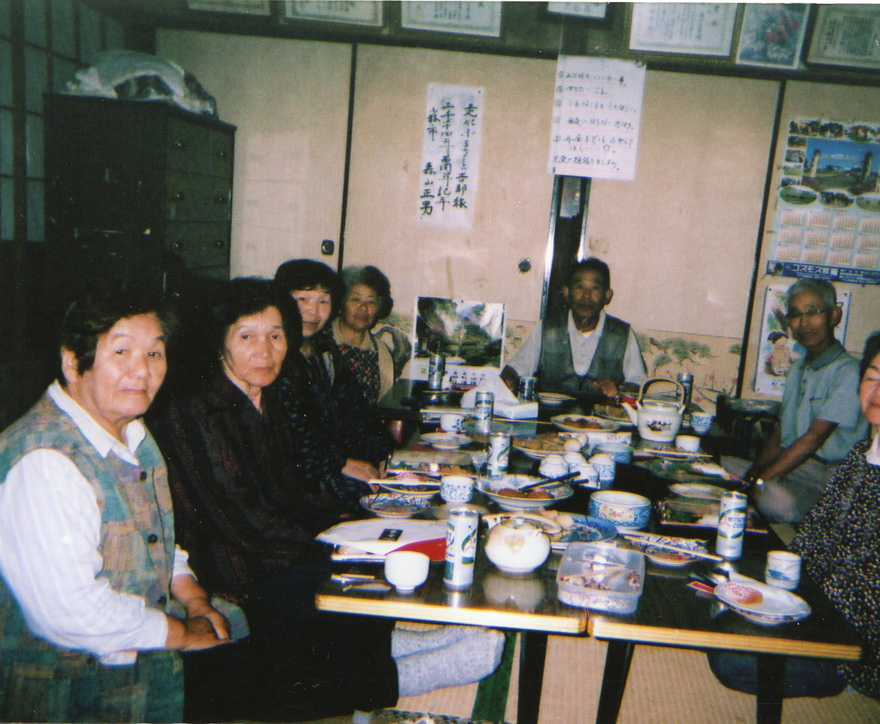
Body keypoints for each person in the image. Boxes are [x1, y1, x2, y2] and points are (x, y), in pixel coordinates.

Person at [152, 278, 504, 721]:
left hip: (274, 545)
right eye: (246, 337)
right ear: (221, 343)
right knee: (341, 575)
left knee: (373, 551)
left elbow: (295, 491)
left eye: (276, 336)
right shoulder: (198, 411)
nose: (265, 351)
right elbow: (245, 524)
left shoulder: (266, 396)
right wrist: (334, 545)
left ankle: (395, 645)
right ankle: (406, 675)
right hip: (236, 566)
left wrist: (354, 520)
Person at [711, 323, 880, 705]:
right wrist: (771, 585)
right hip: (826, 608)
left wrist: (793, 610)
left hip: (876, 646)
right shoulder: (861, 456)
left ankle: (859, 680)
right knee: (719, 599)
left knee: (731, 656)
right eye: (872, 377)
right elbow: (812, 537)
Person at [0, 290, 234, 722]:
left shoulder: (131, 434)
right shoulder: (46, 460)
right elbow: (72, 613)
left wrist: (195, 599)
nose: (142, 370)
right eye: (121, 351)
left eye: (154, 353)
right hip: (65, 694)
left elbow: (153, 537)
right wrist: (182, 633)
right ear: (73, 362)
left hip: (135, 679)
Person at [731, 278, 868, 523]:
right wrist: (754, 473)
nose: (804, 323)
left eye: (813, 312)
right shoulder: (799, 366)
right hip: (794, 467)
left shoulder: (849, 372)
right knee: (720, 469)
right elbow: (782, 432)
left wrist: (761, 481)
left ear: (834, 316)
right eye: (795, 314)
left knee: (771, 500)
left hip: (828, 476)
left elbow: (814, 437)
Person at [272, 259, 393, 517]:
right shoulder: (274, 357)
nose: (313, 311)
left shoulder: (323, 348)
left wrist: (382, 454)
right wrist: (341, 463)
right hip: (295, 479)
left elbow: (355, 409)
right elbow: (292, 437)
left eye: (323, 301)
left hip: (324, 465)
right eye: (302, 299)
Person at [501, 257, 647, 399]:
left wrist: (619, 391)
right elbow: (517, 368)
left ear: (607, 295)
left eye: (595, 288)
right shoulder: (547, 329)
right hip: (550, 413)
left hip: (604, 414)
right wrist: (509, 379)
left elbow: (637, 383)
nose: (586, 296)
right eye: (579, 287)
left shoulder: (622, 334)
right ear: (566, 292)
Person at [328, 265, 398, 404]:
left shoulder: (381, 351)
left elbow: (384, 406)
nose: (363, 307)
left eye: (371, 301)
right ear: (341, 303)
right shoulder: (321, 341)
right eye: (356, 299)